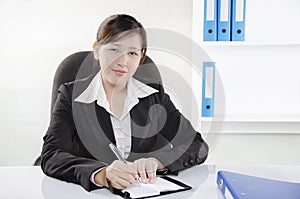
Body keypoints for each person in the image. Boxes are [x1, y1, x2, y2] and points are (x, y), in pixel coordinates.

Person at [41, 14, 208, 192]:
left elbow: (197, 145)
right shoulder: (71, 95)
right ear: (97, 50)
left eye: (132, 53)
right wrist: (101, 174)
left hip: (144, 192)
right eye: (114, 50)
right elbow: (52, 155)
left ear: (141, 57)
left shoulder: (153, 96)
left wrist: (158, 161)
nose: (123, 62)